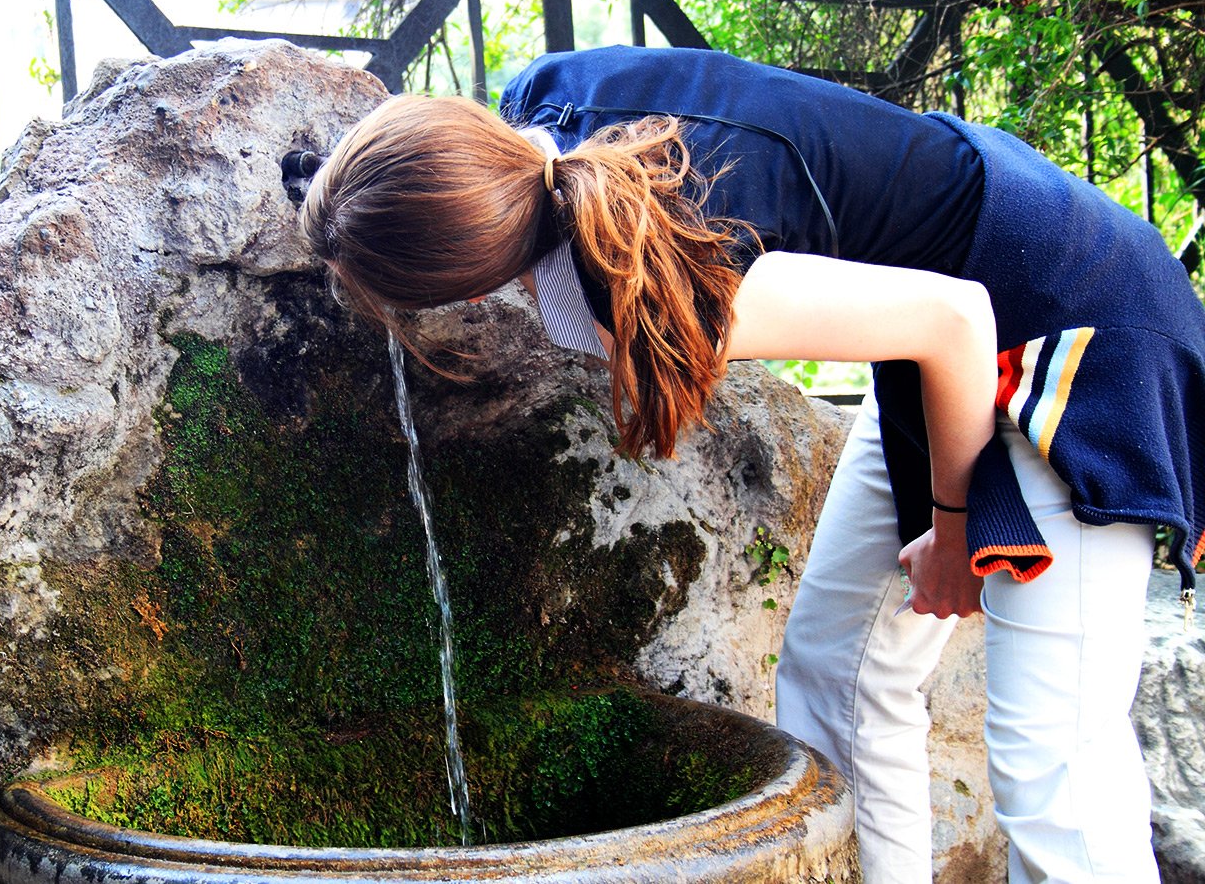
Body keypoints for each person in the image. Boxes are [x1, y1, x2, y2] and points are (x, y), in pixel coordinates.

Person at [296, 44, 1205, 884]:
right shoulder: (542, 107)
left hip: (1077, 332)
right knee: (838, 669)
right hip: (940, 350)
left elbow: (956, 317)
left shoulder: (677, 269)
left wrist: (955, 527)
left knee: (1054, 760)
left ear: (470, 278)